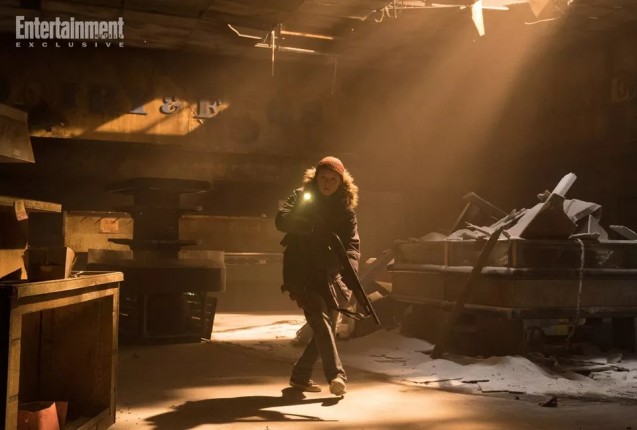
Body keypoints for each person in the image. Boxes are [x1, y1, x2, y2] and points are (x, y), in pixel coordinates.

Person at [275, 156, 360, 396]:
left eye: (333, 179)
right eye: (323, 177)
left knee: (328, 327)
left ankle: (300, 376)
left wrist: (349, 272)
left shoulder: (345, 211)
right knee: (320, 322)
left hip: (330, 276)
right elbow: (281, 221)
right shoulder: (300, 197)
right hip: (302, 273)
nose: (327, 183)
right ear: (316, 177)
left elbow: (352, 247)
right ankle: (337, 375)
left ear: (341, 182)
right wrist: (305, 220)